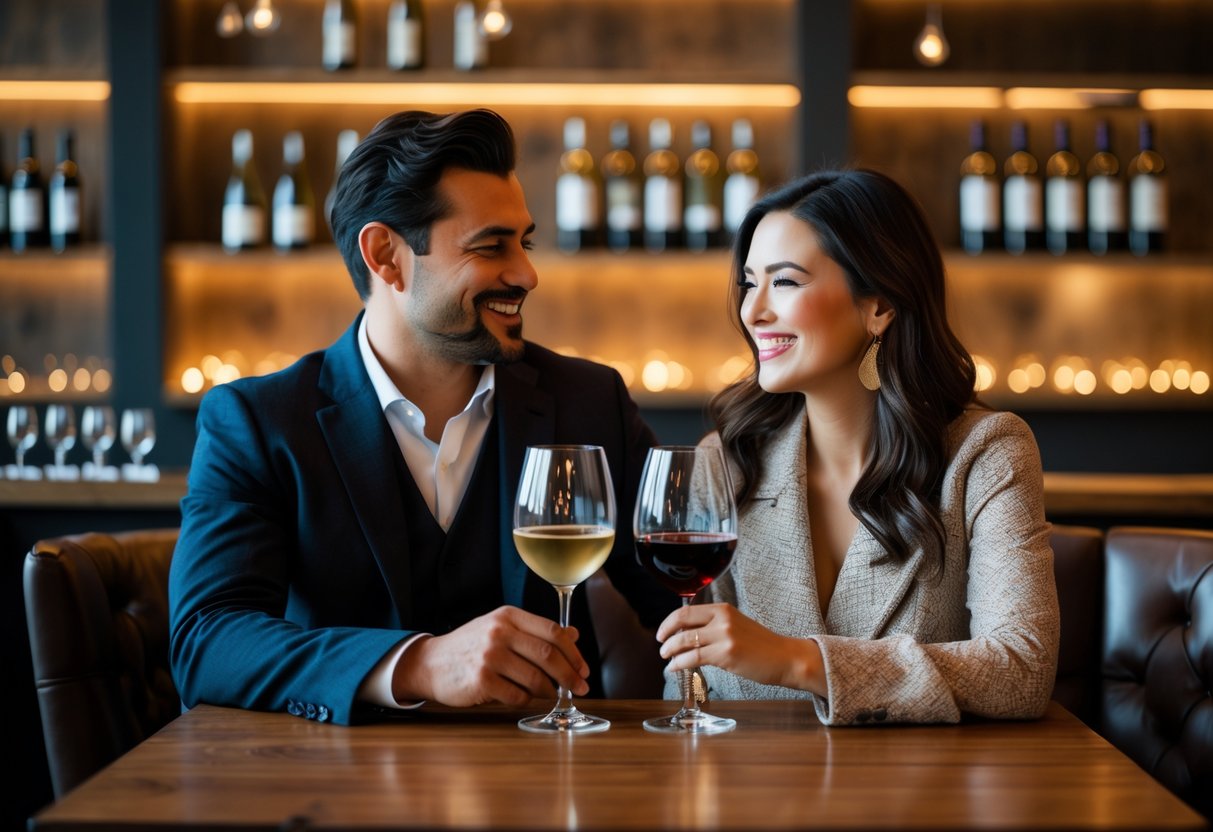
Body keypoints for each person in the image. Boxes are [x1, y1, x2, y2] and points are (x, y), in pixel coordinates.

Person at [169, 109, 674, 726]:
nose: (526, 273)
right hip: (332, 791)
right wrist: (418, 664)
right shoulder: (258, 421)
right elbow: (208, 641)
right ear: (387, 255)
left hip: (549, 783)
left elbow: (683, 601)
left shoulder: (591, 401)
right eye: (492, 246)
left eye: (525, 242)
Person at [656, 169, 1059, 725]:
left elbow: (1021, 669)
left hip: (921, 801)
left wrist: (798, 661)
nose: (753, 311)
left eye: (786, 282)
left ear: (879, 306)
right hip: (751, 801)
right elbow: (685, 684)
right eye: (750, 282)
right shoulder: (726, 461)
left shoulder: (986, 453)